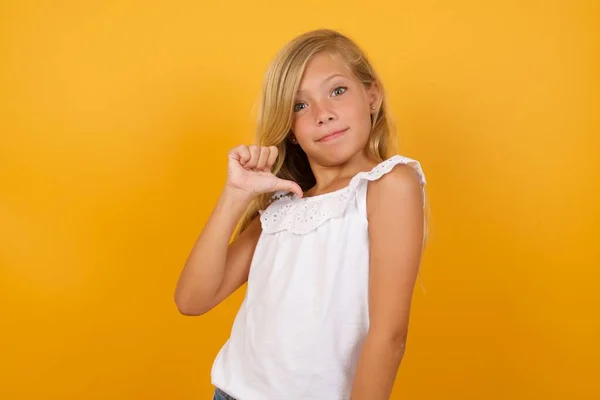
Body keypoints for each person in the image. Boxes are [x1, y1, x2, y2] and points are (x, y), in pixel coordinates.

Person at [174, 28, 429, 400]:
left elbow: (389, 335)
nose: (323, 115)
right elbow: (192, 300)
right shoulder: (282, 206)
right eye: (299, 105)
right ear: (290, 129)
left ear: (371, 95)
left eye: (337, 91)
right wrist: (235, 195)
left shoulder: (387, 184)